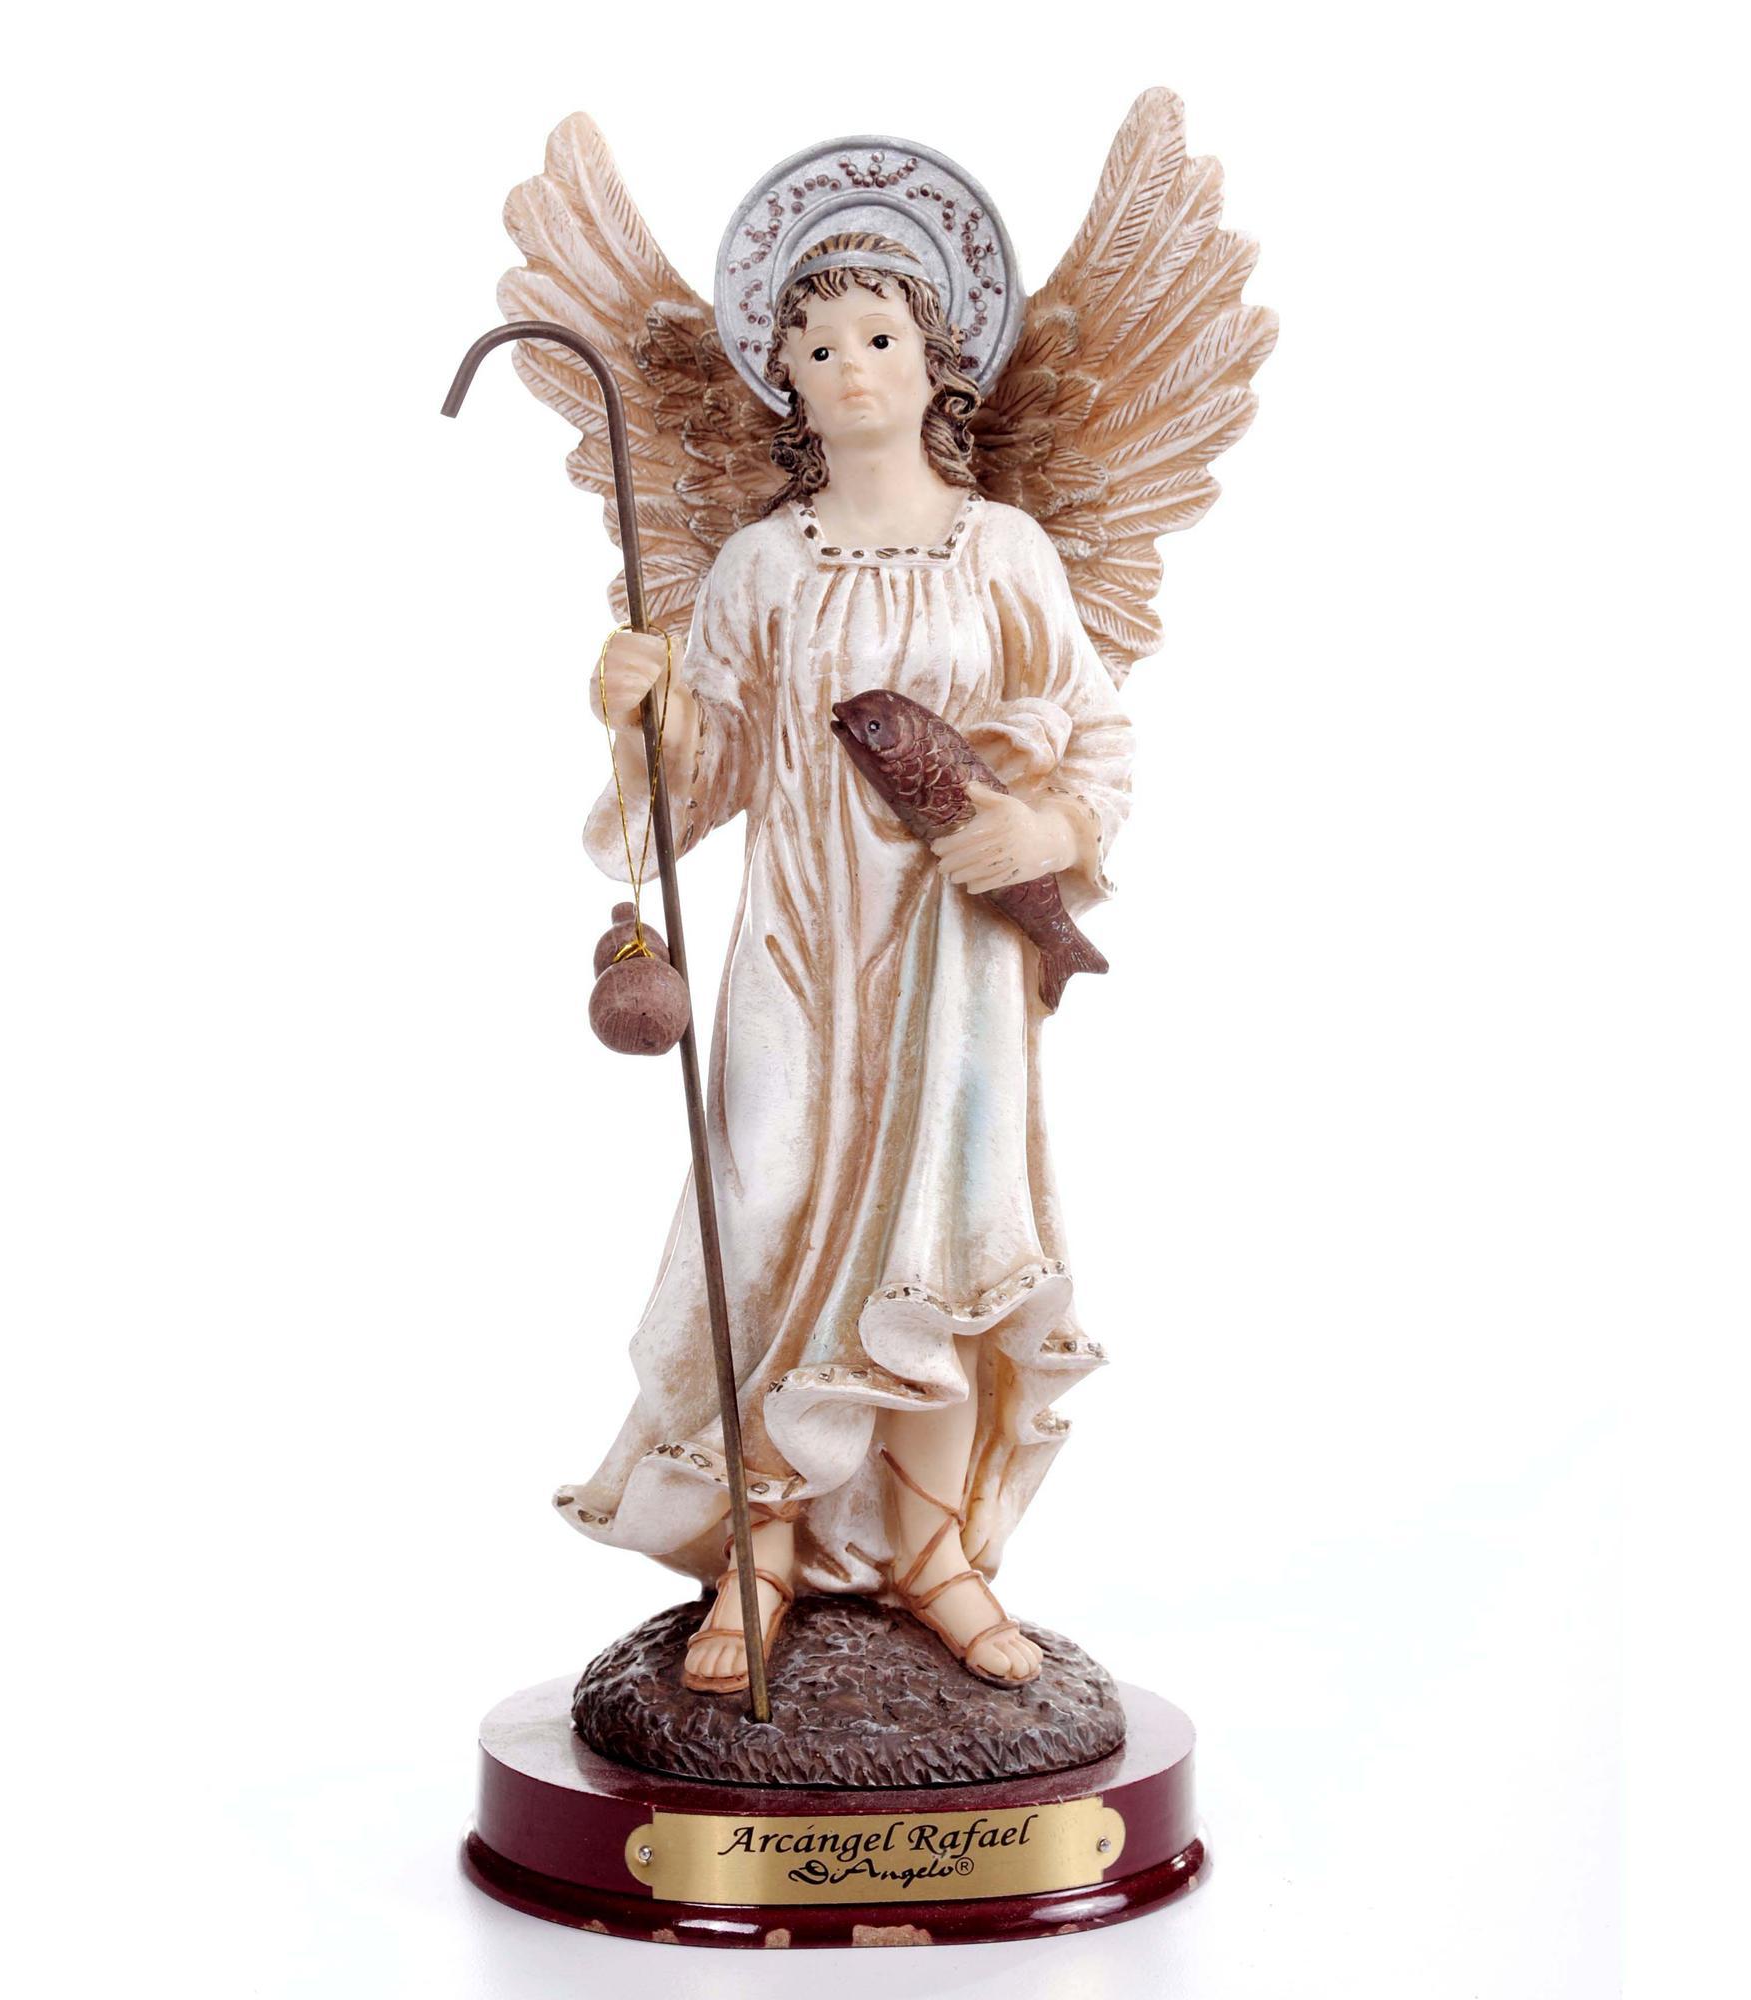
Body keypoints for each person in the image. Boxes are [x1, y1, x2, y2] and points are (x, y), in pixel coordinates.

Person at [560, 230, 1135, 1693]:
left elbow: (1094, 727)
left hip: (956, 956)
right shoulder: (761, 564)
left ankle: (937, 1555)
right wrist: (647, 714)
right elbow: (715, 767)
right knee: (763, 1207)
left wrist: (1043, 825)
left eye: (879, 337)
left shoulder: (1002, 549)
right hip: (798, 944)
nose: (849, 368)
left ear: (939, 363)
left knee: (940, 1239)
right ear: (785, 385)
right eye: (815, 350)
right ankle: (757, 1549)